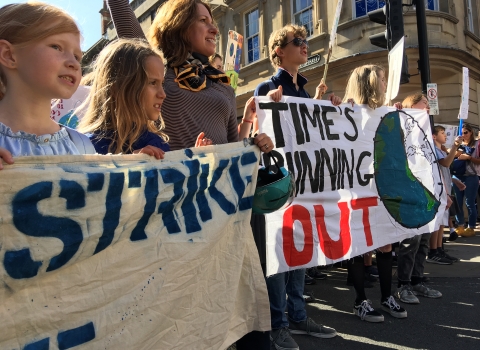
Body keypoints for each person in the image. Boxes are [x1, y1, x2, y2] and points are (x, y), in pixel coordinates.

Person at [106, 1, 274, 349]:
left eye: (213, 23)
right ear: (180, 26)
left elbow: (231, 143)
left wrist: (252, 140)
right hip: (181, 214)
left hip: (225, 211)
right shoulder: (160, 75)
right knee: (192, 315)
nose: (214, 29)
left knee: (245, 317)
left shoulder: (223, 83)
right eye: (203, 21)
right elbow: (128, 29)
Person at [253, 24, 339, 350]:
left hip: (305, 184)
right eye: (297, 42)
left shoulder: (303, 93)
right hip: (278, 186)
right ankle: (278, 324)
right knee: (278, 256)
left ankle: (298, 314)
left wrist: (323, 107)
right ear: (279, 51)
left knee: (300, 250)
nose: (304, 45)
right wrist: (268, 103)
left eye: (305, 41)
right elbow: (256, 135)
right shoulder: (265, 87)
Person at [341, 64, 406, 322]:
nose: (384, 82)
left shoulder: (385, 112)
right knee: (360, 244)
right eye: (381, 78)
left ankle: (387, 297)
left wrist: (398, 116)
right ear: (368, 82)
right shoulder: (348, 111)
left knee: (385, 242)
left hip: (381, 188)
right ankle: (360, 301)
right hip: (356, 189)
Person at [0, 2, 93, 165]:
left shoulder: (82, 146)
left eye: (78, 57)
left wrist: (138, 163)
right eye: (56, 47)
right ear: (8, 55)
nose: (74, 63)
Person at [395, 93, 444, 304]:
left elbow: (433, 166)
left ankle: (416, 280)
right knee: (410, 240)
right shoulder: (401, 130)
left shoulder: (426, 136)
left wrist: (443, 193)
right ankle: (403, 285)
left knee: (424, 240)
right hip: (408, 192)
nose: (426, 109)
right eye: (422, 105)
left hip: (428, 193)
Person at [430, 125, 460, 263]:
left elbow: (445, 171)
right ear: (434, 136)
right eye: (442, 133)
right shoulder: (434, 150)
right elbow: (446, 164)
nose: (445, 135)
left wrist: (454, 181)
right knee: (438, 222)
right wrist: (454, 147)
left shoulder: (440, 150)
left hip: (445, 188)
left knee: (442, 222)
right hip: (439, 189)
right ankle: (433, 251)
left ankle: (439, 248)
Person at [452, 123, 480, 237]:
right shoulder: (458, 144)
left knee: (470, 202)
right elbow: (449, 154)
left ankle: (471, 227)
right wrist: (455, 148)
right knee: (457, 202)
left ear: (471, 132)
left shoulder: (477, 144)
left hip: (471, 176)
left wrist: (469, 157)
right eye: (462, 133)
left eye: (466, 132)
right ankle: (460, 225)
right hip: (457, 175)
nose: (464, 135)